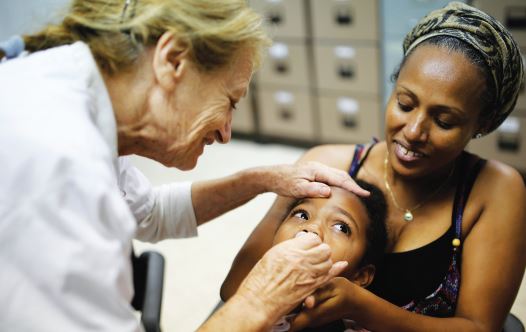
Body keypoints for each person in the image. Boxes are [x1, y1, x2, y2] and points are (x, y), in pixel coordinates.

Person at [0, 0, 368, 331]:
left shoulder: (88, 102)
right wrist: (260, 299)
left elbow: (149, 213)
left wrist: (263, 179)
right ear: (173, 59)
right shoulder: (56, 169)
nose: (226, 134)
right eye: (229, 101)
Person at [221, 2, 526, 331]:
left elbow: (480, 327)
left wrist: (362, 307)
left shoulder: (495, 191)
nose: (413, 131)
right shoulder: (326, 166)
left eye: (444, 120)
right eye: (404, 103)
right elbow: (236, 287)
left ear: (483, 124)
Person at [267, 181, 387, 332]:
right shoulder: (242, 304)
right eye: (302, 214)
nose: (312, 228)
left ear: (361, 276)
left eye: (341, 227)